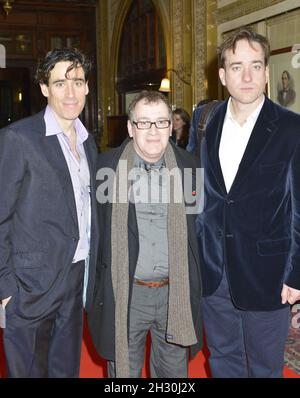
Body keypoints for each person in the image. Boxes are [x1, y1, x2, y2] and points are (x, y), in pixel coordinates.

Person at [188, 27, 300, 377]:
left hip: (268, 274)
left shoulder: (291, 128)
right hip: (213, 270)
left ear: (266, 72)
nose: (247, 76)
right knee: (222, 360)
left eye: (255, 65)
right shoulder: (206, 122)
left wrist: (296, 274)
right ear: (222, 75)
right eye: (236, 67)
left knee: (265, 368)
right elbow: (196, 193)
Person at [87, 90, 202, 378]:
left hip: (174, 294)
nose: (153, 131)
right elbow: (95, 233)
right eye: (144, 123)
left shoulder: (189, 166)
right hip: (126, 293)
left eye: (161, 122)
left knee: (174, 376)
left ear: (171, 125)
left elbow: (199, 230)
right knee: (123, 374)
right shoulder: (106, 167)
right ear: (130, 127)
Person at [0, 48, 99, 378]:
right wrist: (6, 290)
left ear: (87, 87)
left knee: (64, 370)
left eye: (77, 82)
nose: (70, 93)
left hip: (75, 278)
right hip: (30, 286)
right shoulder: (18, 138)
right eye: (60, 83)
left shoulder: (89, 143)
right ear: (44, 88)